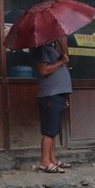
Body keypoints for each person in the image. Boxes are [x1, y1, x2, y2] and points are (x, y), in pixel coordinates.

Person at [31, 38, 72, 174]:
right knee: (49, 130)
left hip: (57, 94)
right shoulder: (42, 48)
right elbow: (43, 70)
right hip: (50, 94)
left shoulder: (50, 48)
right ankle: (44, 162)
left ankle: (51, 159)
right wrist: (61, 62)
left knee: (53, 129)